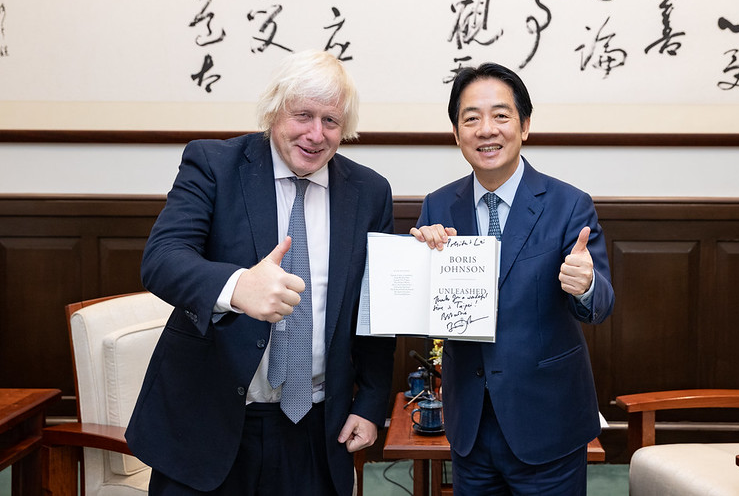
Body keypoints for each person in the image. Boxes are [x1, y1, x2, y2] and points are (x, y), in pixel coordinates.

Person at [126, 50, 396, 496]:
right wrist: (236, 287)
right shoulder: (214, 164)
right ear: (274, 112)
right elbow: (162, 258)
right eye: (302, 115)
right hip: (208, 421)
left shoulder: (369, 192)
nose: (315, 134)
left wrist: (369, 403)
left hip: (316, 427)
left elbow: (374, 310)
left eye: (330, 121)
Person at [411, 62, 614, 495]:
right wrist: (418, 269)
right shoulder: (438, 206)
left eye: (501, 115)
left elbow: (600, 305)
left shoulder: (568, 203)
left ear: (524, 126)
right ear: (456, 133)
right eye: (471, 118)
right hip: (470, 423)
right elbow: (427, 312)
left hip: (548, 420)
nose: (487, 129)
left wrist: (585, 286)